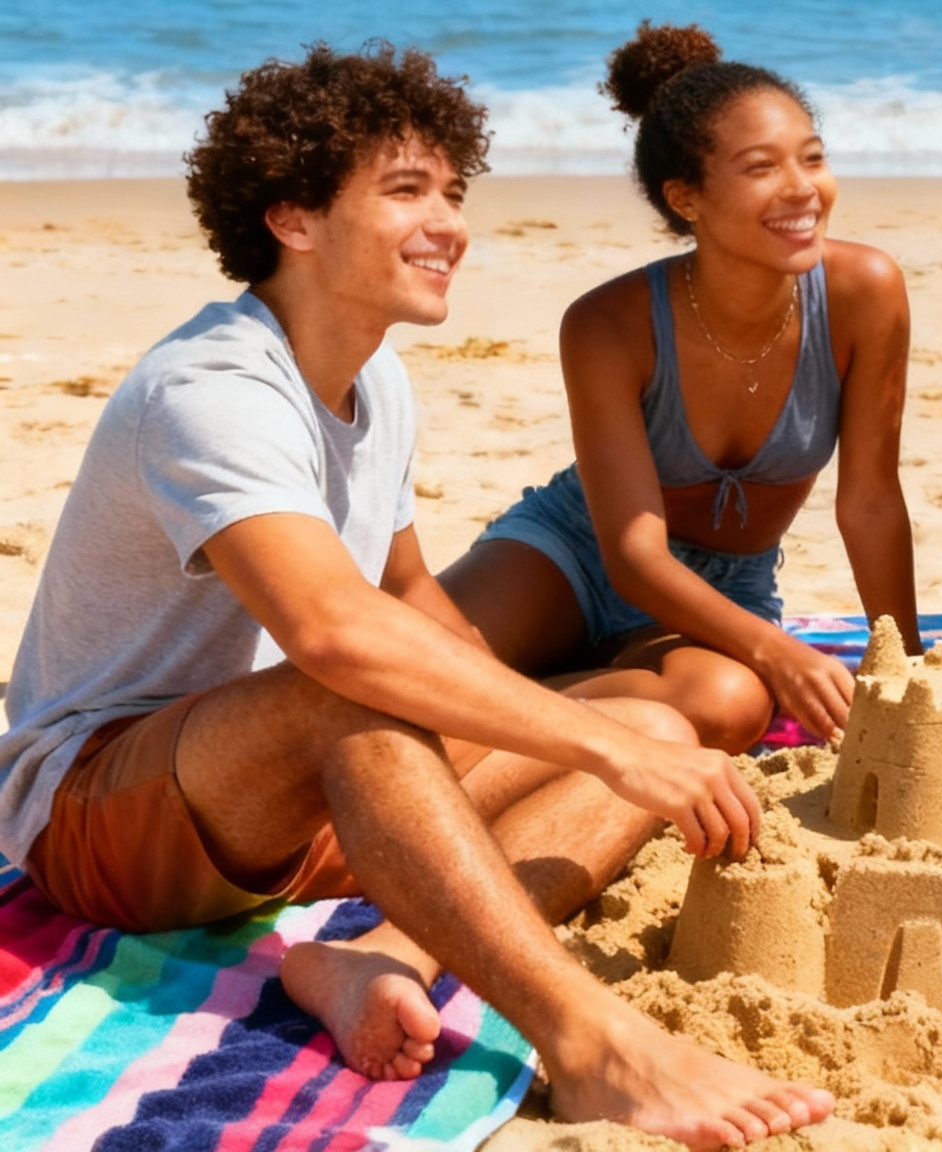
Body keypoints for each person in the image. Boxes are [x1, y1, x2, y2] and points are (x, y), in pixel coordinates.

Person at [0, 44, 832, 1149]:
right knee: (384, 693)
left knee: (657, 718)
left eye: (452, 191)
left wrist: (600, 733)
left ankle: (385, 954)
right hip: (108, 809)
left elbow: (409, 596)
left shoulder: (373, 379)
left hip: (304, 799)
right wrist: (598, 754)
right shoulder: (212, 389)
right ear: (293, 217)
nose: (449, 222)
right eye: (406, 192)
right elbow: (339, 635)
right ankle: (591, 1044)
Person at [439, 23, 917, 750]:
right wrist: (777, 649)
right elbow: (633, 556)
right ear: (686, 198)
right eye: (762, 168)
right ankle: (493, 700)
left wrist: (904, 665)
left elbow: (872, 503)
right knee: (424, 662)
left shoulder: (865, 293)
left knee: (726, 705)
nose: (803, 189)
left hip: (723, 595)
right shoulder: (607, 325)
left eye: (813, 158)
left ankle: (502, 709)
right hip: (573, 552)